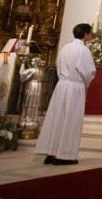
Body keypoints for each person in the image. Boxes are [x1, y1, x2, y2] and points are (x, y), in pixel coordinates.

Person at [35, 23, 95, 165]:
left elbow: (58, 67)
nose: (90, 36)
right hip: (74, 87)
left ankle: (51, 152)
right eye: (90, 33)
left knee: (57, 119)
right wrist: (86, 82)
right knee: (71, 120)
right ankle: (64, 155)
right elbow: (88, 72)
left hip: (61, 86)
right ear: (86, 35)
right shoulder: (83, 50)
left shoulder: (65, 48)